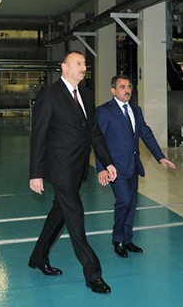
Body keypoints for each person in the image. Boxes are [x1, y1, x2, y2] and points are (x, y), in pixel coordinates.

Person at [29, 50, 118, 294]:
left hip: (78, 168)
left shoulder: (86, 95)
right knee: (76, 217)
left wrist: (107, 162)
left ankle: (38, 256)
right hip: (60, 168)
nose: (83, 67)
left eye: (85, 63)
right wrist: (35, 173)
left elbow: (94, 133)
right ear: (64, 67)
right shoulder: (50, 95)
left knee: (59, 213)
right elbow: (39, 136)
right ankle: (93, 274)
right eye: (77, 63)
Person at [96, 75, 176, 258]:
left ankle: (128, 239)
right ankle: (117, 240)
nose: (127, 90)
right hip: (114, 168)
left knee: (131, 204)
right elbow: (99, 141)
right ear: (113, 90)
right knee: (124, 201)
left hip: (133, 166)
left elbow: (146, 134)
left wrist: (160, 157)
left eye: (129, 87)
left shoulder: (136, 110)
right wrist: (101, 167)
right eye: (122, 87)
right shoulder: (104, 111)